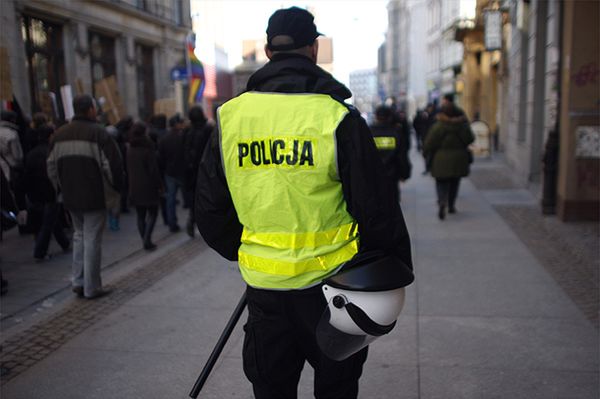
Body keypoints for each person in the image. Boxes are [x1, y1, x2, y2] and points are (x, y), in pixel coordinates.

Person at [194, 7, 412, 399]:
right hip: (334, 289)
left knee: (272, 388)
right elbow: (376, 208)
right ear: (313, 49)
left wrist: (250, 252)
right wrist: (390, 270)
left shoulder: (231, 118)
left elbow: (210, 210)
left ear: (267, 50)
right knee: (337, 388)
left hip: (265, 291)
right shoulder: (336, 117)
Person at [47, 94, 123, 299]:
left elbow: (51, 167)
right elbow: (112, 167)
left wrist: (60, 189)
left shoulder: (59, 135)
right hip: (94, 195)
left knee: (79, 237)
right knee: (91, 239)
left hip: (70, 196)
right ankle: (92, 286)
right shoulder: (98, 134)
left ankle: (78, 281)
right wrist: (117, 189)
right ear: (90, 109)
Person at [423, 93, 475, 220]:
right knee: (454, 183)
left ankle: (442, 201)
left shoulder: (438, 126)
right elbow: (471, 139)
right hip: (459, 159)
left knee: (441, 182)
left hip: (440, 159)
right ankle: (451, 205)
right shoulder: (462, 126)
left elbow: (429, 143)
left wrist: (426, 155)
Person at [24, 125, 70, 261]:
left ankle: (64, 242)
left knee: (52, 219)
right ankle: (40, 251)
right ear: (50, 136)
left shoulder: (31, 153)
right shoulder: (50, 152)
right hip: (50, 192)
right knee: (48, 223)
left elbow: (27, 176)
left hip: (36, 194)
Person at [127, 122, 163, 250]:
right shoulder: (148, 148)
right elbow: (153, 170)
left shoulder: (130, 149)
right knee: (153, 213)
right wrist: (160, 185)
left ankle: (145, 239)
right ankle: (147, 239)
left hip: (135, 186)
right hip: (149, 186)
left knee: (140, 215)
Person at [369, 105, 411, 203]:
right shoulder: (396, 133)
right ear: (390, 117)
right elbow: (401, 156)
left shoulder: (368, 132)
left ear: (376, 116)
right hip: (392, 175)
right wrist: (404, 174)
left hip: (374, 175)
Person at [182, 105, 212, 237]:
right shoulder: (208, 130)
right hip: (206, 170)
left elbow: (183, 151)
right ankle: (206, 225)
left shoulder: (187, 131)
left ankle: (192, 220)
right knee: (208, 198)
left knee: (194, 198)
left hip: (190, 171)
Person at [158, 113, 186, 232]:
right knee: (188, 197)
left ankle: (171, 223)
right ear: (176, 124)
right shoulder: (182, 137)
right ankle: (192, 220)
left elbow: (161, 157)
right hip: (181, 171)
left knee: (171, 199)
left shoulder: (164, 139)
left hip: (169, 172)